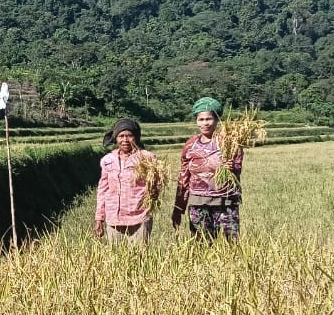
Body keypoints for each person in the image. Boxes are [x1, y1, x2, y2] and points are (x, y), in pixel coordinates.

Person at [170, 97, 243, 242]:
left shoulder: (229, 142)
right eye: (201, 119)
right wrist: (179, 207)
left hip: (225, 201)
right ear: (196, 121)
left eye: (208, 119)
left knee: (232, 243)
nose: (205, 123)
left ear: (217, 120)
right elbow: (184, 177)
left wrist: (231, 168)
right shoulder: (190, 145)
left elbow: (237, 168)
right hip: (198, 201)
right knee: (201, 243)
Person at [94, 118, 158, 245]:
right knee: (117, 259)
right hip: (114, 219)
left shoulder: (147, 158)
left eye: (129, 136)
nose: (125, 140)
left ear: (136, 137)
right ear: (115, 138)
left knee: (140, 258)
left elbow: (156, 185)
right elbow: (103, 190)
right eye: (121, 136)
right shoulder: (108, 160)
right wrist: (99, 218)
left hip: (139, 217)